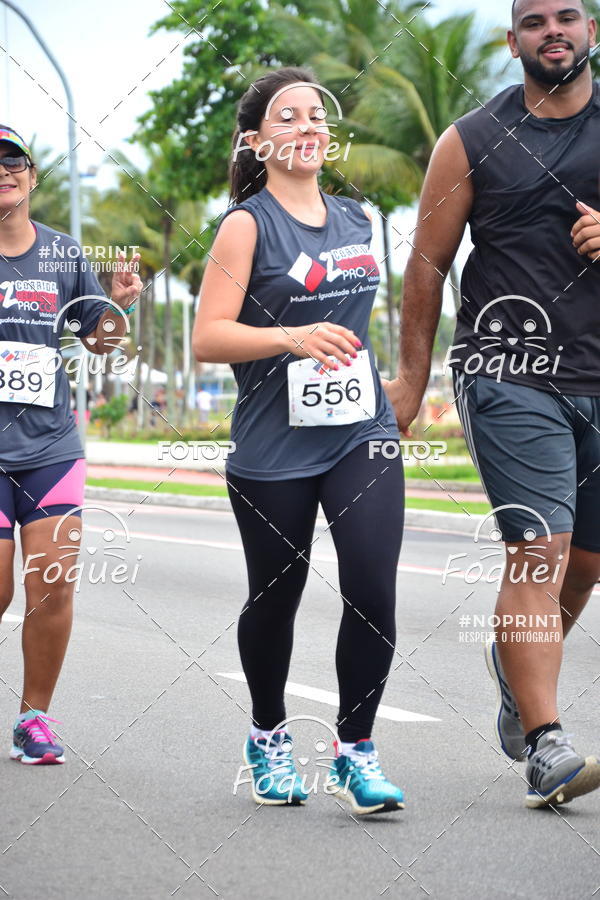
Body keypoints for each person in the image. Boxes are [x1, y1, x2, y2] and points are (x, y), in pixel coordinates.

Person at [387, 0, 600, 808]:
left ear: (591, 32)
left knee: (588, 563)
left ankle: (515, 676)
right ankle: (548, 746)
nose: (554, 30)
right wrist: (409, 380)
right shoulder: (471, 140)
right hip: (508, 369)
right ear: (513, 41)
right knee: (540, 551)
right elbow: (427, 266)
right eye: (535, 19)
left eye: (569, 15)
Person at [193, 68, 405, 814]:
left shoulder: (360, 218)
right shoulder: (245, 225)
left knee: (374, 591)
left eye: (317, 114)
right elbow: (207, 337)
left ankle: (357, 751)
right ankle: (268, 736)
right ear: (257, 141)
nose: (308, 126)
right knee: (275, 599)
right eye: (289, 116)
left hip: (361, 433)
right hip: (272, 446)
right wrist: (291, 337)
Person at [0, 125, 142, 764]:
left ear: (31, 178)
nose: (4, 172)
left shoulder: (61, 254)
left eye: (14, 163)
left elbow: (102, 342)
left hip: (51, 446)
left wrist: (117, 307)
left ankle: (35, 720)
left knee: (52, 585)